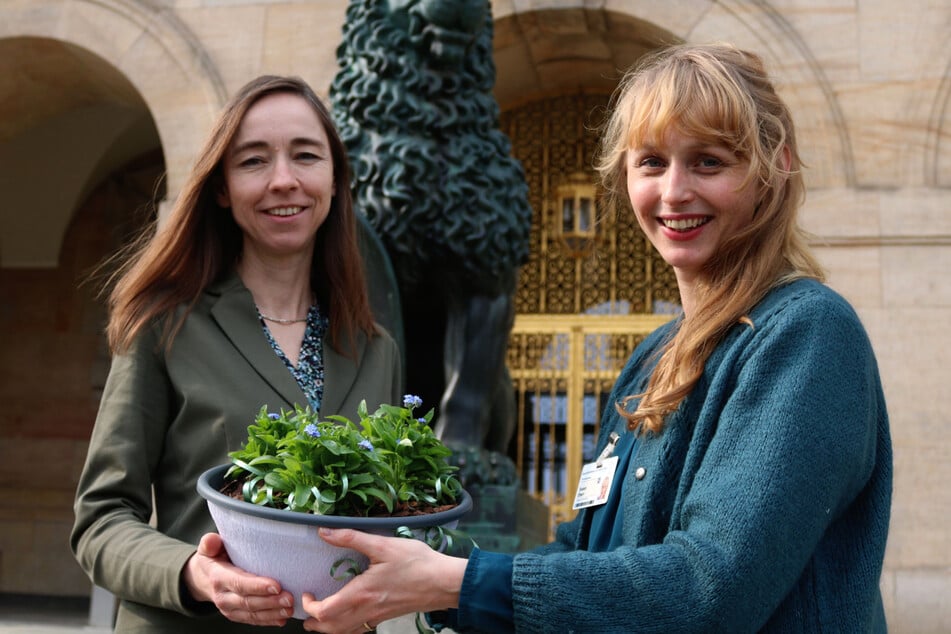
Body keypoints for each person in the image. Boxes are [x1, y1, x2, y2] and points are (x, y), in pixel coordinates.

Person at [299, 43, 893, 633]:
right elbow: (584, 552)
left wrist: (456, 583)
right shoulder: (652, 357)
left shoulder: (806, 332)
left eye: (709, 161)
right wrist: (416, 575)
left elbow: (709, 588)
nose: (674, 191)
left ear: (775, 167)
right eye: (652, 162)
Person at [70, 75, 401, 633]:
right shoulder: (165, 325)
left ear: (335, 178)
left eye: (305, 156)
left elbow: (386, 520)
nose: (283, 180)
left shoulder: (375, 349)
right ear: (221, 187)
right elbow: (100, 522)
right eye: (253, 161)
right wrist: (195, 574)